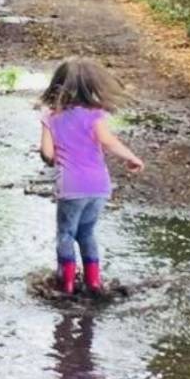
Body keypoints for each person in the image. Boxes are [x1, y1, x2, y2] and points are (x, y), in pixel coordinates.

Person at [39, 59, 144, 295]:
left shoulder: (50, 116)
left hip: (71, 186)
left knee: (66, 233)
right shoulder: (96, 114)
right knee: (87, 233)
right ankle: (94, 282)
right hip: (99, 185)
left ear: (57, 83)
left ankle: (65, 284)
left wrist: (57, 152)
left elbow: (47, 153)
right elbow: (107, 141)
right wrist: (131, 157)